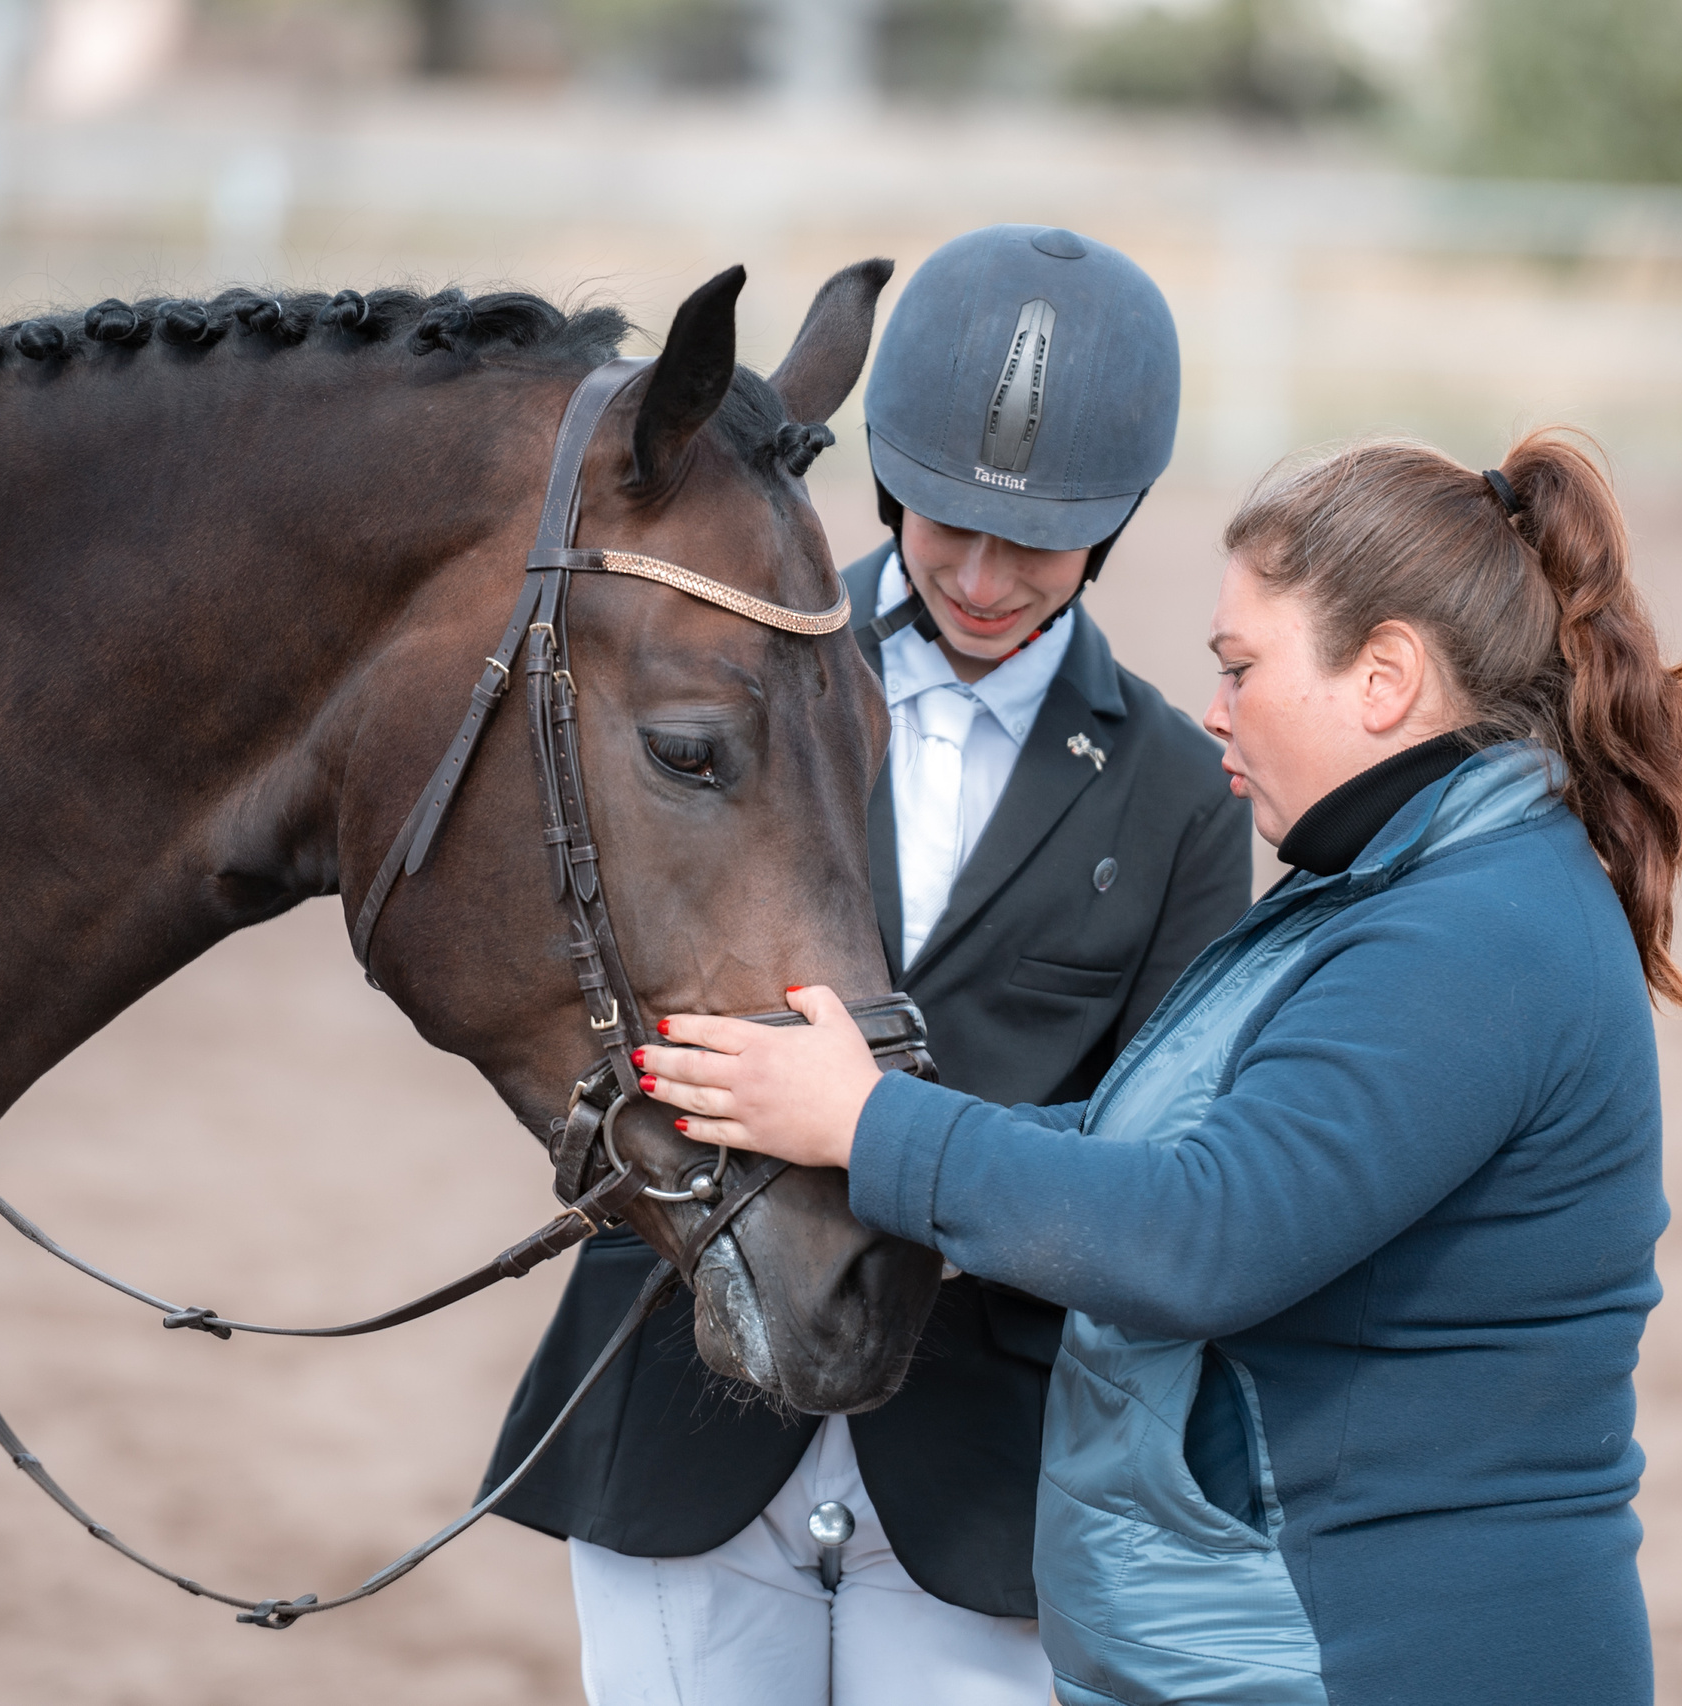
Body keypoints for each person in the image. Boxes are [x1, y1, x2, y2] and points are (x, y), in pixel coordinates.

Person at [639, 430, 1682, 1706]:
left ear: (1384, 676)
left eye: (1240, 665)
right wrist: (842, 1125)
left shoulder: (1472, 932)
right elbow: (1142, 1145)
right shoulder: (1400, 888)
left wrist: (871, 1125)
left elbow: (1203, 1231)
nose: (1212, 706)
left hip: (1389, 1654)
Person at [478, 226, 1253, 1705]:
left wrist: (909, 1154)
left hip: (981, 1464)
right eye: (940, 516)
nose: (977, 571)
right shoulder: (724, 686)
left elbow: (1163, 1145)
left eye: (1036, 537)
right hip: (680, 1397)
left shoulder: (1176, 791)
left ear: (1123, 514)